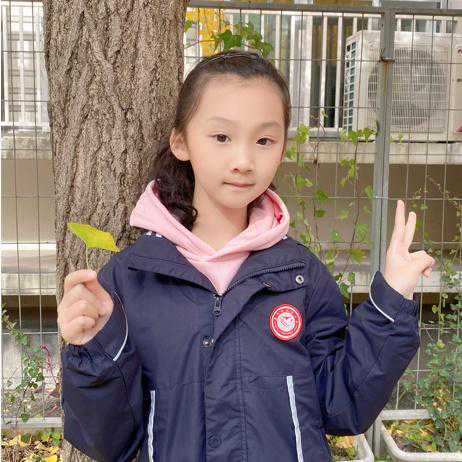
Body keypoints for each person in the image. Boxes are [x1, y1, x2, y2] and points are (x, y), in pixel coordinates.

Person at [57, 49, 435, 462]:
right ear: (181, 142)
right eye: (221, 137)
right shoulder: (130, 279)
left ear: (282, 149)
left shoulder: (300, 275)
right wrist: (94, 347)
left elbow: (343, 403)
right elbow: (109, 441)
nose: (243, 161)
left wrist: (390, 303)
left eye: (264, 140)